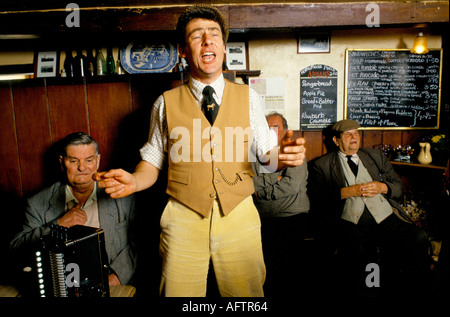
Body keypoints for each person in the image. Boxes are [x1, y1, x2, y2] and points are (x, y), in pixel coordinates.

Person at [94, 5, 305, 297]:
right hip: (182, 219)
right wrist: (134, 181)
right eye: (197, 35)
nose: (208, 40)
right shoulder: (164, 103)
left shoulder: (249, 98)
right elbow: (152, 162)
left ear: (222, 45)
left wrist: (283, 159)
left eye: (214, 34)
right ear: (183, 49)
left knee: (246, 298)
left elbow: (268, 159)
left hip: (239, 216)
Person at [308, 119, 431, 295]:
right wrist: (348, 191)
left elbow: (397, 185)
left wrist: (383, 187)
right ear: (336, 140)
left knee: (417, 237)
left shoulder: (374, 156)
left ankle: (411, 289)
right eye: (348, 134)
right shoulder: (323, 165)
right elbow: (318, 198)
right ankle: (370, 291)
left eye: (356, 133)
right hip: (351, 221)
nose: (354, 138)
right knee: (364, 251)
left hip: (385, 216)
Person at [10, 132, 137, 287]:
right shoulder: (37, 203)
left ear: (97, 161)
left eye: (88, 160)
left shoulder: (120, 194)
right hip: (62, 287)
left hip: (114, 284)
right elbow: (17, 249)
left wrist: (115, 278)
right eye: (73, 161)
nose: (82, 167)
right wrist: (58, 225)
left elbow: (139, 241)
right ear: (62, 162)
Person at [252, 112, 311, 296]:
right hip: (262, 219)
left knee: (290, 271)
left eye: (275, 128)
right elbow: (248, 184)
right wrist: (275, 179)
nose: (270, 131)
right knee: (262, 271)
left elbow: (292, 185)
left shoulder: (292, 151)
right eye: (266, 128)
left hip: (292, 216)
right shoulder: (253, 155)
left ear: (284, 130)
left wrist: (261, 190)